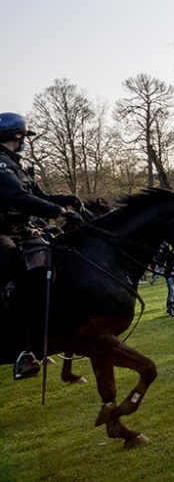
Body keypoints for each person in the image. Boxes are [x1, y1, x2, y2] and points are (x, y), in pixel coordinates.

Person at [0, 112, 83, 379]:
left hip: (22, 232)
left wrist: (65, 200)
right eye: (25, 136)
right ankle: (22, 352)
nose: (26, 141)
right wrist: (57, 211)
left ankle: (48, 335)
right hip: (2, 234)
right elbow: (17, 197)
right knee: (21, 280)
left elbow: (38, 196)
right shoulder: (0, 165)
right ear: (17, 135)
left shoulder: (17, 164)